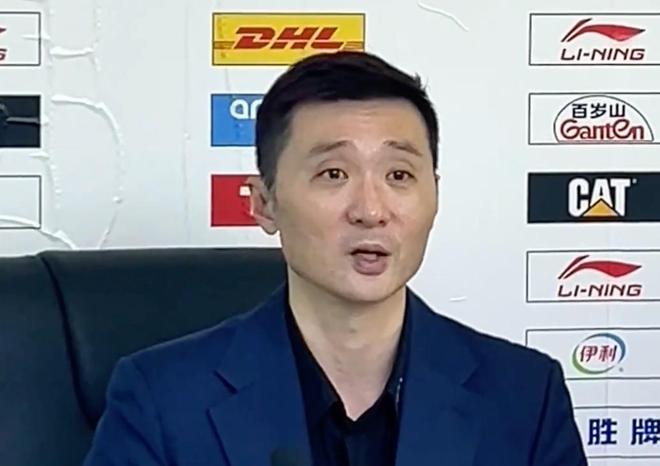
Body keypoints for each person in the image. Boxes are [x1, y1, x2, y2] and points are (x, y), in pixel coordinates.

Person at [83, 51, 587, 466]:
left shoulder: (525, 397)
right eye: (333, 174)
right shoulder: (161, 399)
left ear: (435, 195)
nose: (371, 210)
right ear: (264, 203)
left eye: (399, 175)